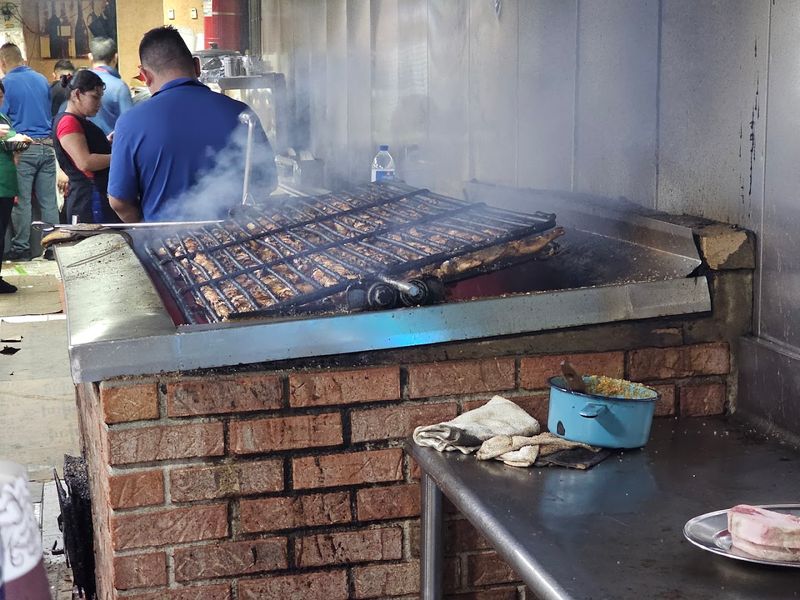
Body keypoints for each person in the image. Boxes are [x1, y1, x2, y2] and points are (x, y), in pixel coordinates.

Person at [108, 26, 276, 223]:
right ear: (197, 66)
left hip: (161, 246)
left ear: (145, 76)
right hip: (235, 243)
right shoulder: (241, 113)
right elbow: (267, 181)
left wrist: (147, 229)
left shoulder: (130, 123)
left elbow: (119, 202)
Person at [0, 43, 58, 261]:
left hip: (23, 149)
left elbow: (3, 123)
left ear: (3, 62)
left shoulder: (6, 84)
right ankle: (53, 246)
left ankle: (21, 248)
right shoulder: (42, 79)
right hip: (47, 147)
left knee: (22, 201)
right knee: (48, 202)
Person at [52, 70, 118, 224]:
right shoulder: (69, 122)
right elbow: (85, 162)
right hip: (88, 200)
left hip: (91, 197)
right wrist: (121, 156)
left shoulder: (77, 120)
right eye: (95, 97)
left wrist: (105, 143)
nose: (99, 104)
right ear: (76, 94)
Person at [0, 81, 28, 292]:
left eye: (1, 97)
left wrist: (19, 144)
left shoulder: (3, 119)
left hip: (6, 186)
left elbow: (13, 140)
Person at [88, 37, 132, 135]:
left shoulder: (78, 82)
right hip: (112, 147)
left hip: (83, 148)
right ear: (116, 57)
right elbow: (129, 125)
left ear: (90, 57)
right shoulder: (119, 87)